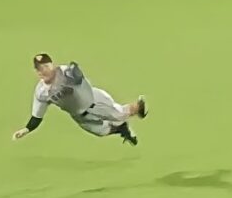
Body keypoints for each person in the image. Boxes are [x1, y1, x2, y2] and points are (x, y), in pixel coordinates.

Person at [12, 53, 147, 146]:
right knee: (101, 132)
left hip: (95, 101)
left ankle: (138, 107)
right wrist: (26, 130)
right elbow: (37, 116)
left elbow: (77, 73)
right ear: (37, 72)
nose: (44, 70)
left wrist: (73, 75)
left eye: (46, 66)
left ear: (53, 65)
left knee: (120, 114)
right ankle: (123, 128)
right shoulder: (41, 92)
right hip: (79, 116)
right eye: (40, 69)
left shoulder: (65, 72)